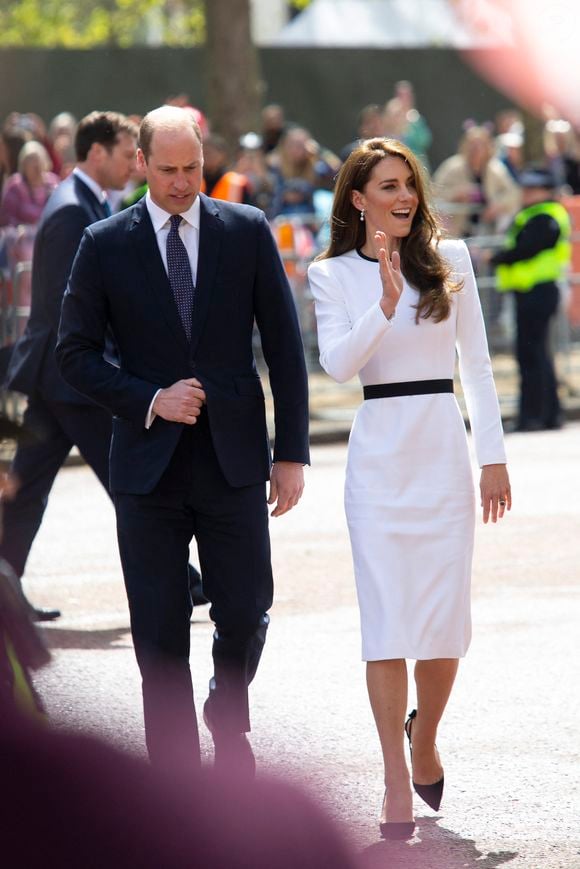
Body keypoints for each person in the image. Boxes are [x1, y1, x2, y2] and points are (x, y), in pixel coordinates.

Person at [56, 106, 309, 776]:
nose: (181, 182)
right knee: (159, 637)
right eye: (167, 170)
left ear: (205, 159)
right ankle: (175, 784)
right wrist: (149, 399)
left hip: (234, 462)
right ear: (141, 163)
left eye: (192, 168)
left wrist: (291, 453)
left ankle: (229, 705)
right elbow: (73, 355)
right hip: (147, 471)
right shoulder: (105, 243)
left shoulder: (247, 230)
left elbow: (284, 347)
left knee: (249, 606)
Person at [308, 138, 511, 840]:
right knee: (387, 622)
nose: (402, 197)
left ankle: (425, 739)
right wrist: (385, 304)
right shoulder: (329, 272)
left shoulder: (451, 260)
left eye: (409, 185)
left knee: (445, 623)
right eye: (386, 185)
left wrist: (493, 455)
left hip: (441, 450)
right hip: (378, 462)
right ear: (357, 199)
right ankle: (395, 773)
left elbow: (478, 367)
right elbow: (337, 364)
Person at [0, 112, 206, 622]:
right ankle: (186, 581)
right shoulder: (74, 210)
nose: (131, 165)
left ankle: (186, 580)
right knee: (131, 477)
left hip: (57, 379)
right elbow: (82, 307)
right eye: (123, 153)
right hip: (70, 379)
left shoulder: (85, 201)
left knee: (27, 489)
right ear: (97, 154)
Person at [491, 165, 571, 431]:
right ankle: (547, 415)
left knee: (531, 356)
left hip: (538, 291)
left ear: (546, 191)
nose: (527, 192)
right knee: (537, 355)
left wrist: (497, 258)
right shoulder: (533, 214)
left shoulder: (545, 215)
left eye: (534, 188)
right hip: (531, 292)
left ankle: (533, 416)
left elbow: (527, 248)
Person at [432, 125, 520, 239]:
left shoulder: (495, 169)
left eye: (480, 145)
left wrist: (498, 205)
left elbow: (513, 193)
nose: (476, 150)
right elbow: (434, 192)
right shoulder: (452, 168)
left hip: (486, 231)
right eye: (472, 145)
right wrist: (456, 194)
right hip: (456, 230)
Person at [0, 140, 59, 227]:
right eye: (30, 160)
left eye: (38, 159)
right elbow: (7, 219)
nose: (35, 165)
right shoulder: (15, 185)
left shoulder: (53, 183)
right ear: (23, 165)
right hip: (22, 237)